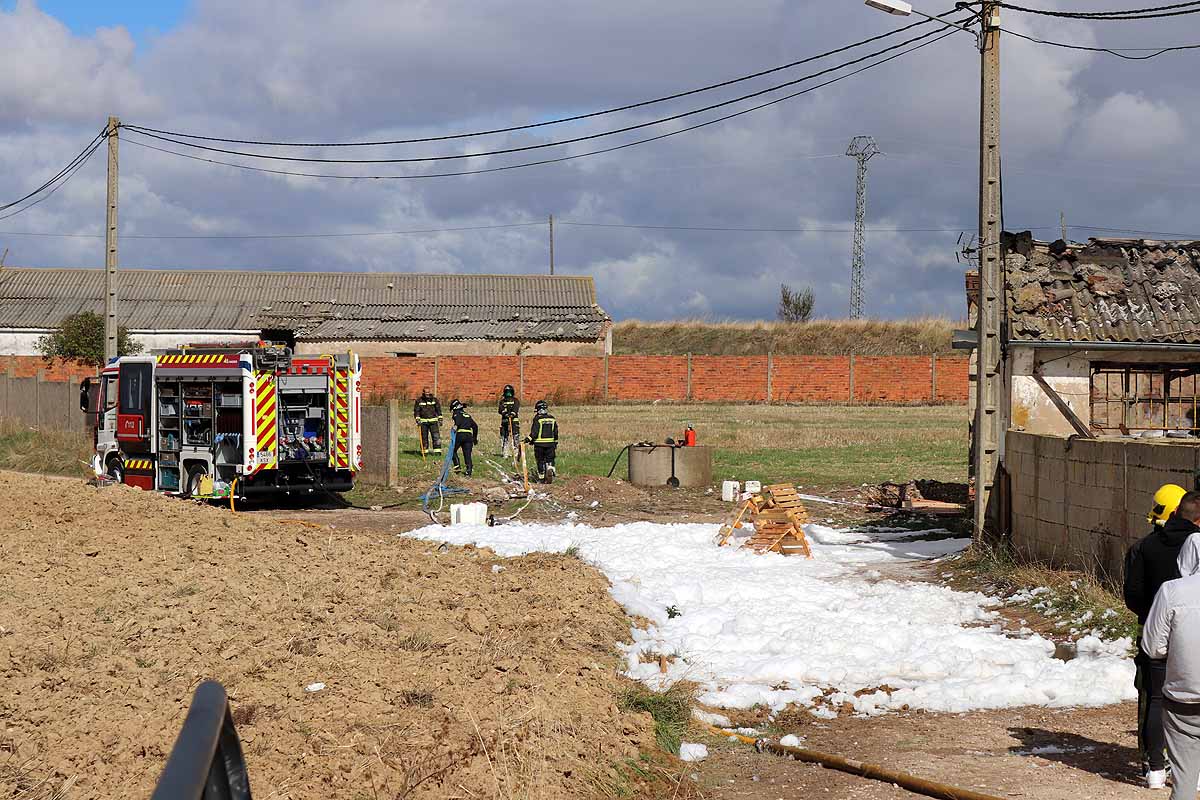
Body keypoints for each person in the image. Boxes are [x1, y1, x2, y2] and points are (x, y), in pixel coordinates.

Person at [1126, 482, 1191, 788]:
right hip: (1192, 638)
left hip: (1151, 636)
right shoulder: (1195, 547)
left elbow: (1133, 595)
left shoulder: (1142, 547)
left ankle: (1153, 763)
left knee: (1152, 697)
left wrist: (1151, 618)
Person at [1142, 491, 1200, 798]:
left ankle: (1155, 769)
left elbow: (1153, 647)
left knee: (1184, 782)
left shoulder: (1172, 591)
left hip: (1184, 698)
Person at [526, 399, 558, 483]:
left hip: (539, 445)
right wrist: (555, 442)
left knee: (540, 460)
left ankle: (541, 478)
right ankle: (550, 468)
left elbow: (534, 433)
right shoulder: (552, 418)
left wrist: (528, 439)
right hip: (550, 444)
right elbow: (555, 432)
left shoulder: (537, 419)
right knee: (550, 459)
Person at [449, 399, 478, 477]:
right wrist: (475, 438)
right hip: (469, 436)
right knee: (467, 454)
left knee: (453, 450)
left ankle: (457, 467)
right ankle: (469, 472)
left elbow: (458, 420)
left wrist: (456, 426)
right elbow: (475, 426)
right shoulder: (467, 415)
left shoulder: (456, 413)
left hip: (461, 434)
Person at [413, 387, 442, 454]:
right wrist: (417, 419)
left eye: (428, 392)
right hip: (423, 422)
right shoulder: (419, 401)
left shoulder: (434, 400)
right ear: (423, 393)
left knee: (436, 436)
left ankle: (437, 452)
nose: (427, 394)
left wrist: (440, 418)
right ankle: (424, 452)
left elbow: (438, 409)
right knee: (424, 438)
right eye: (426, 392)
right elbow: (416, 411)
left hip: (433, 422)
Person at [498, 384, 521, 458]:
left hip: (514, 422)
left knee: (515, 437)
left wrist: (512, 414)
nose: (508, 394)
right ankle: (505, 452)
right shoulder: (502, 401)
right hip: (505, 422)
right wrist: (505, 413)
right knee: (505, 437)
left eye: (509, 392)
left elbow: (516, 408)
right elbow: (500, 410)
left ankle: (516, 452)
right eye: (507, 392)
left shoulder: (515, 400)